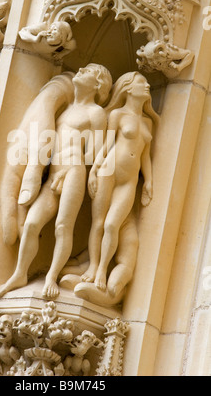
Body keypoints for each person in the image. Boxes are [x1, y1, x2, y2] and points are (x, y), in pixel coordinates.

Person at [0, 64, 112, 299]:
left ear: (98, 85)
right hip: (54, 175)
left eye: (88, 71)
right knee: (30, 224)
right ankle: (20, 273)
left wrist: (92, 174)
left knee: (62, 226)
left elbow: (96, 153)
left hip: (74, 172)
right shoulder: (65, 108)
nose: (81, 72)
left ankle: (51, 277)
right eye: (83, 68)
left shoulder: (95, 113)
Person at [82, 71, 159, 293]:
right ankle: (94, 267)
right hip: (108, 171)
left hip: (130, 180)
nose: (146, 86)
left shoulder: (147, 122)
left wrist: (149, 182)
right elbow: (107, 145)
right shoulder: (117, 114)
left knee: (111, 224)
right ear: (127, 88)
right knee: (99, 223)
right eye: (141, 82)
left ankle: (103, 269)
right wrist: (94, 170)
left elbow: (145, 155)